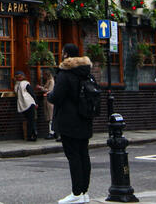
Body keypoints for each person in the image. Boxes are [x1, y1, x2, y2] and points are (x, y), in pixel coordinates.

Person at [47, 43, 93, 204]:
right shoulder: (86, 73)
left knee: (73, 156)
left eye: (62, 53)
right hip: (85, 118)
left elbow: (56, 97)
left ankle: (76, 193)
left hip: (68, 120)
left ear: (66, 55)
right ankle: (84, 192)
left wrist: (49, 95)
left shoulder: (65, 74)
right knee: (83, 155)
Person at [14, 71, 38, 141]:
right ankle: (33, 134)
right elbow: (32, 93)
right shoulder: (26, 83)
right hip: (30, 103)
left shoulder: (16, 85)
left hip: (23, 105)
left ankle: (30, 135)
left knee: (28, 120)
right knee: (32, 120)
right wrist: (36, 102)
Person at [38, 69, 58, 139]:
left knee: (51, 117)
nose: (43, 76)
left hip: (49, 101)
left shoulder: (51, 81)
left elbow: (50, 90)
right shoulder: (48, 81)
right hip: (47, 100)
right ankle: (53, 132)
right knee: (49, 117)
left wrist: (41, 88)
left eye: (44, 75)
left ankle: (52, 132)